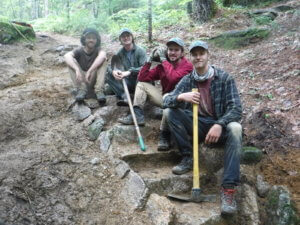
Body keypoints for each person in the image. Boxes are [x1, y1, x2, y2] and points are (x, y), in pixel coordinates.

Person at [163, 40, 242, 215]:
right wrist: (181, 96)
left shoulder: (224, 78)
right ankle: (187, 157)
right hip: (198, 126)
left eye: (201, 53)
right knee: (170, 112)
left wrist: (220, 124)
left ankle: (228, 190)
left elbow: (236, 109)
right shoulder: (188, 79)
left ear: (208, 55)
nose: (198, 57)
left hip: (220, 126)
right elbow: (166, 102)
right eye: (195, 54)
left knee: (236, 128)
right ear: (190, 57)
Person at [119, 38, 193, 151]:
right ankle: (138, 114)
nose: (172, 52)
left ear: (182, 53)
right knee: (142, 85)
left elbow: (173, 78)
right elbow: (142, 77)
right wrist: (149, 61)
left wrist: (164, 60)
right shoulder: (163, 65)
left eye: (176, 50)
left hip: (182, 103)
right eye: (170, 49)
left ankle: (164, 135)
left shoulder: (187, 66)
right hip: (166, 99)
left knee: (168, 100)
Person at [64, 28, 107, 104]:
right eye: (89, 38)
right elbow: (67, 56)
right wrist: (77, 69)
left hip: (92, 79)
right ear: (84, 39)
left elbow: (103, 56)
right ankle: (81, 90)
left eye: (94, 38)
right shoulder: (79, 50)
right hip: (82, 80)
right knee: (71, 61)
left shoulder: (98, 50)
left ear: (97, 40)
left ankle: (99, 91)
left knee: (103, 60)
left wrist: (89, 71)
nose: (91, 40)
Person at [106, 28, 147, 106]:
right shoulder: (120, 53)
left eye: (128, 35)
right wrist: (114, 71)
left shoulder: (140, 51)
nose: (126, 38)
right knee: (107, 75)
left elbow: (145, 68)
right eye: (123, 37)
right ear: (120, 40)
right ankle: (124, 96)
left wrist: (130, 71)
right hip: (128, 82)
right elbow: (111, 67)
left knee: (143, 77)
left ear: (132, 37)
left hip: (140, 83)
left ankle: (137, 100)